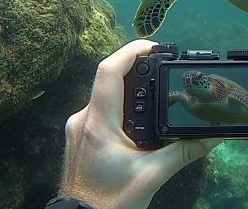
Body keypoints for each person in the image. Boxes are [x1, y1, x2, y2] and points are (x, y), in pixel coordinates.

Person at [46, 40, 223, 209]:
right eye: (187, 79)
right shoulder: (185, 96)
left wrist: (79, 197)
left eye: (197, 78)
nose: (189, 81)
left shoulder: (225, 93)